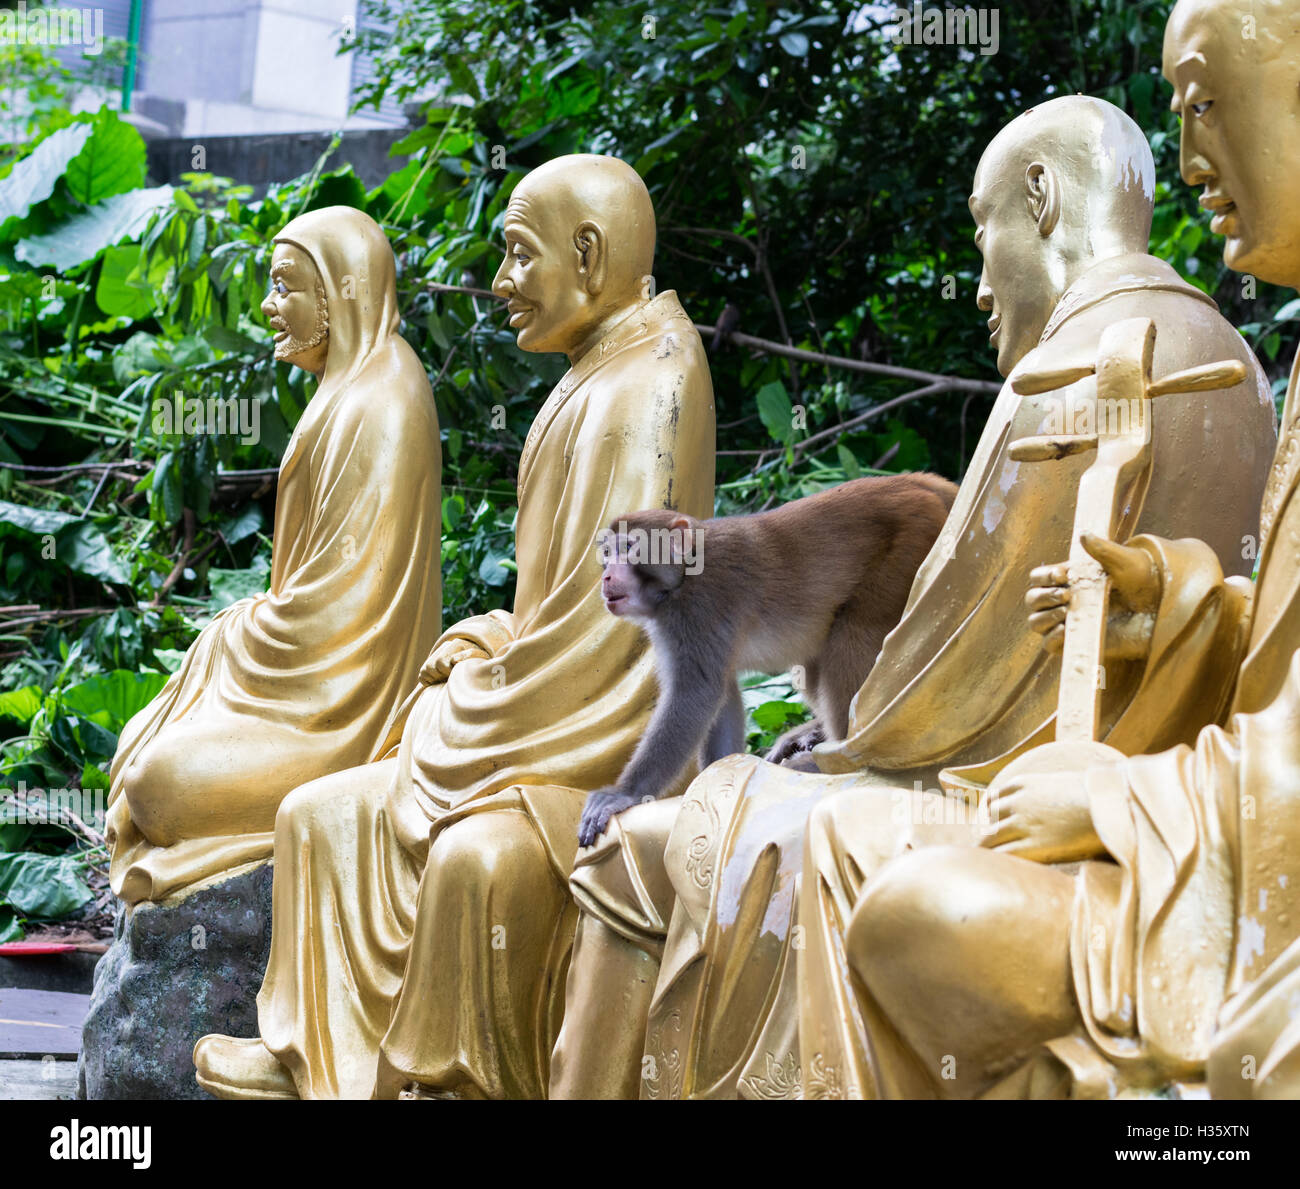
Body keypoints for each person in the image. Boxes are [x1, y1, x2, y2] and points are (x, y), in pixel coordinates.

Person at [846, 0, 1300, 1100]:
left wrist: (1119, 801)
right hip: (1226, 821)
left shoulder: (1084, 352)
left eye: (1202, 104)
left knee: (908, 905)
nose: (1189, 160)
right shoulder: (1239, 350)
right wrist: (1190, 606)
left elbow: (921, 687)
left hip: (1243, 882)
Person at [194, 154, 716, 1099]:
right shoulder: (595, 369)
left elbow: (621, 643)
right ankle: (318, 1052)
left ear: (589, 256)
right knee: (315, 813)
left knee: (477, 860)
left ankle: (447, 1079)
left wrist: (478, 699)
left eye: (519, 256)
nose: (502, 284)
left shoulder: (655, 384)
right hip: (548, 701)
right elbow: (557, 608)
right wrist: (491, 639)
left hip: (612, 747)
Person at [107, 206, 442, 906]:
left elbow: (339, 621)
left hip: (343, 715)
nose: (268, 307)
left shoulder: (383, 400)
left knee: (157, 784)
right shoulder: (343, 388)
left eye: (285, 287)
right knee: (141, 735)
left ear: (340, 291)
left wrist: (232, 633)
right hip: (296, 689)